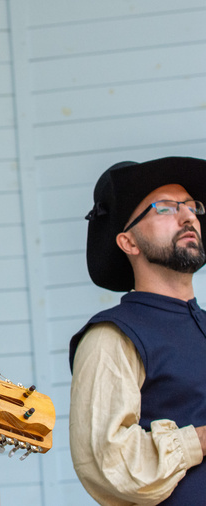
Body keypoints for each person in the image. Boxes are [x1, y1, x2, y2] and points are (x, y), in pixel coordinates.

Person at [69, 157, 206, 505]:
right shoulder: (113, 336)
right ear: (128, 242)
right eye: (164, 208)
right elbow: (109, 463)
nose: (188, 216)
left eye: (192, 207)